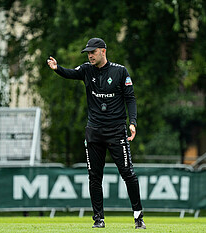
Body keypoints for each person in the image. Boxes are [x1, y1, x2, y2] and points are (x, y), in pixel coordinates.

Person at [47, 38, 146, 229]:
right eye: (88, 53)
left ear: (103, 51)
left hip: (117, 131)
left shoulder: (120, 71)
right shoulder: (86, 70)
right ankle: (98, 219)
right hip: (94, 132)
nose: (90, 55)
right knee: (94, 176)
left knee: (128, 173)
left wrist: (132, 122)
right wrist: (57, 68)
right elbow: (69, 73)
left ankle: (138, 216)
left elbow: (130, 99)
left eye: (93, 52)